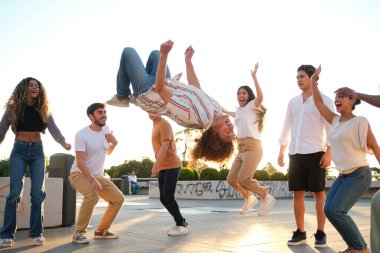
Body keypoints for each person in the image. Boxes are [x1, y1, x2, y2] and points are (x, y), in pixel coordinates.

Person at [107, 40, 235, 163]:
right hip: (167, 82)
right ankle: (137, 86)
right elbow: (196, 88)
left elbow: (160, 89)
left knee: (128, 52)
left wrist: (165, 55)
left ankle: (122, 96)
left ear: (213, 130)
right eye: (232, 131)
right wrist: (188, 61)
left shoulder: (193, 118)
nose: (232, 126)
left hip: (150, 93)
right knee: (155, 54)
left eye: (227, 131)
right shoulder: (216, 109)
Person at [0, 77, 71, 247]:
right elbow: (1, 129)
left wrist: (63, 142)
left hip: (38, 152)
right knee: (14, 192)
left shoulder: (43, 108)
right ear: (23, 88)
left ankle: (36, 232)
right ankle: (7, 234)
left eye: (37, 86)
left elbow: (54, 129)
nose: (34, 88)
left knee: (38, 193)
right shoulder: (13, 108)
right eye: (31, 85)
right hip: (19, 150)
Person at [278, 65, 334, 248]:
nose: (298, 80)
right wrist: (281, 150)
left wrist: (329, 151)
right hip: (295, 152)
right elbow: (286, 126)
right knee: (297, 193)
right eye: (297, 77)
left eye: (301, 76)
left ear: (312, 78)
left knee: (319, 194)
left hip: (316, 152)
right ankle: (300, 232)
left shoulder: (324, 100)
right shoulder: (292, 102)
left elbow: (331, 128)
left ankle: (320, 232)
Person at [325, 87, 380, 253]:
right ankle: (355, 245)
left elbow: (375, 147)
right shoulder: (335, 121)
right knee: (328, 209)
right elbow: (320, 104)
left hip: (359, 174)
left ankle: (361, 248)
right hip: (343, 175)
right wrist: (314, 80)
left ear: (353, 100)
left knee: (337, 210)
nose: (337, 99)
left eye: (342, 96)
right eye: (336, 96)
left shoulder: (360, 121)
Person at [69, 103, 124, 244]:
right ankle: (78, 233)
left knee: (118, 198)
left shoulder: (106, 129)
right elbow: (80, 161)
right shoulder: (81, 134)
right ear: (91, 116)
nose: (104, 115)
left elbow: (107, 152)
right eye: (100, 112)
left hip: (98, 175)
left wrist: (114, 144)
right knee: (92, 195)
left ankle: (101, 231)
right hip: (78, 173)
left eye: (105, 112)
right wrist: (92, 180)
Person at [226, 63, 275, 216]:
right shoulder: (239, 111)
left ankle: (265, 195)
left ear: (249, 96)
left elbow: (260, 97)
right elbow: (228, 113)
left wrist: (254, 77)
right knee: (232, 180)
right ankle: (249, 197)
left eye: (244, 93)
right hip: (241, 148)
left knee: (244, 179)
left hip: (253, 147)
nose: (241, 95)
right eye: (239, 93)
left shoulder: (253, 106)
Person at [149, 113, 188, 236]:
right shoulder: (155, 124)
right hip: (163, 167)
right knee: (163, 198)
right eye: (148, 110)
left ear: (160, 110)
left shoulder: (164, 124)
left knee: (168, 195)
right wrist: (158, 166)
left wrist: (155, 165)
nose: (151, 113)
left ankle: (181, 225)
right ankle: (181, 221)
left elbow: (165, 146)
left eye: (154, 110)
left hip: (172, 164)